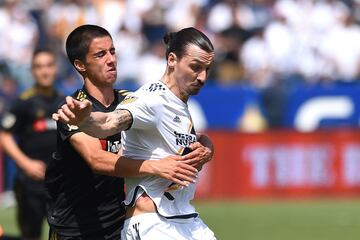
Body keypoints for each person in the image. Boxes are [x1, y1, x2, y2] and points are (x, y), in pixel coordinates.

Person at [47, 24, 213, 239]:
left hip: (117, 220)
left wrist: (207, 145)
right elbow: (97, 157)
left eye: (112, 51)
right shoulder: (73, 109)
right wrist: (156, 166)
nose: (111, 60)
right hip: (76, 225)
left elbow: (178, 134)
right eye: (100, 54)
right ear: (80, 65)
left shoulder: (131, 99)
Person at [0, 48, 63, 240]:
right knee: (31, 236)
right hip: (30, 185)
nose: (44, 71)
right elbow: (4, 135)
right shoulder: (23, 103)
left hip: (60, 184)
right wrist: (25, 163)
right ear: (32, 71)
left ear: (56, 69)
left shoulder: (65, 102)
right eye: (39, 67)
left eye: (48, 66)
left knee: (65, 234)